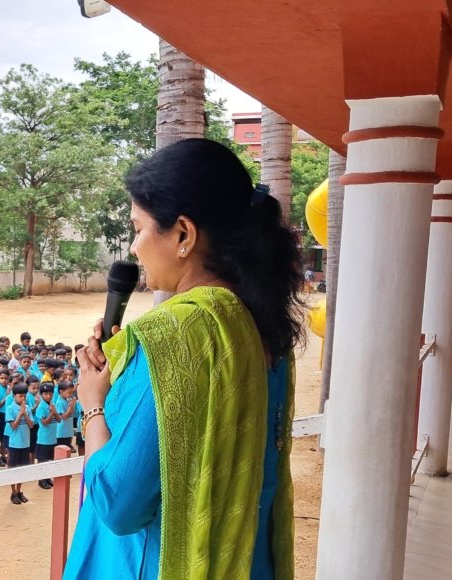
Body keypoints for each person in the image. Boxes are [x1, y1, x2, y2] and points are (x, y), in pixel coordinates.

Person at [65, 139, 302, 579]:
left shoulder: (173, 335)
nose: (133, 248)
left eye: (138, 228)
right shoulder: (264, 325)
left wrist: (93, 403)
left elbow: (117, 504)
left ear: (183, 235)